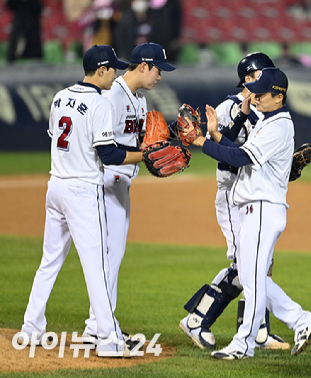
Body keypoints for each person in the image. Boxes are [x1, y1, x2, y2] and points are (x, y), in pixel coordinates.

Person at [18, 45, 143, 357]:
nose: (116, 73)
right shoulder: (100, 103)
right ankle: (108, 340)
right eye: (112, 68)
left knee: (50, 261)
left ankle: (31, 328)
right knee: (97, 266)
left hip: (55, 186)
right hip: (82, 192)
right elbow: (109, 154)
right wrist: (146, 155)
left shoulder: (60, 96)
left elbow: (58, 136)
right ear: (100, 70)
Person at [190, 68, 311, 359]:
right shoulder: (266, 121)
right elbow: (237, 151)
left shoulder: (279, 125)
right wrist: (216, 135)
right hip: (254, 208)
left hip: (262, 209)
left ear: (279, 96)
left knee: (254, 280)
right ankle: (301, 320)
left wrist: (203, 144)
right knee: (251, 278)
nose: (255, 97)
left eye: (261, 93)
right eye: (254, 91)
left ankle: (243, 343)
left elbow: (240, 157)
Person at [179, 52, 290, 351]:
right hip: (233, 191)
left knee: (261, 263)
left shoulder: (264, 108)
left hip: (254, 191)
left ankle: (257, 331)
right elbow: (229, 151)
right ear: (252, 77)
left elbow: (259, 158)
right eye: (263, 75)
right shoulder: (230, 106)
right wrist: (211, 136)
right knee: (245, 265)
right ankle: (197, 319)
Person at [82, 42, 176, 343]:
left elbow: (143, 142)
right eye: (158, 69)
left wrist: (170, 136)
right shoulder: (111, 96)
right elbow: (105, 149)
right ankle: (100, 327)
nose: (160, 76)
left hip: (121, 182)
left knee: (112, 256)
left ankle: (97, 324)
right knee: (109, 256)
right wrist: (148, 154)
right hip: (107, 180)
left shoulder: (139, 99)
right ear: (144, 66)